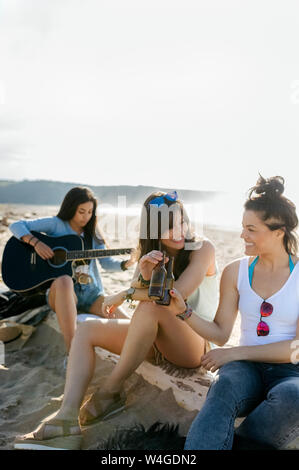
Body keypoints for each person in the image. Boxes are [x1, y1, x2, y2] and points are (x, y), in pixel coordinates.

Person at [14, 190, 218, 450]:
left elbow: (176, 297)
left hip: (192, 344)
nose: (179, 231)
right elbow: (143, 298)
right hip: (154, 340)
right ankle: (66, 418)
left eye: (182, 222)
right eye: (168, 227)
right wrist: (143, 275)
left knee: (151, 309)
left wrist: (126, 292)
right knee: (86, 328)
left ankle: (110, 390)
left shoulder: (202, 248)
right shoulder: (151, 252)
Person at [173, 175, 298, 450]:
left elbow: (296, 348)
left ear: (278, 232)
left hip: (291, 373)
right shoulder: (235, 272)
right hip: (246, 371)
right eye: (243, 227)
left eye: (251, 229)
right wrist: (184, 312)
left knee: (294, 395)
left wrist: (235, 353)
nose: (243, 235)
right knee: (225, 385)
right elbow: (220, 334)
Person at [9, 186, 136, 353]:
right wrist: (36, 243)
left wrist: (127, 263)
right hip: (62, 294)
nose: (86, 216)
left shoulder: (92, 231)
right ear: (71, 208)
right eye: (81, 211)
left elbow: (106, 262)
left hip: (92, 296)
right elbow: (17, 225)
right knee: (64, 280)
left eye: (90, 212)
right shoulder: (56, 224)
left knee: (131, 325)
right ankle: (72, 352)